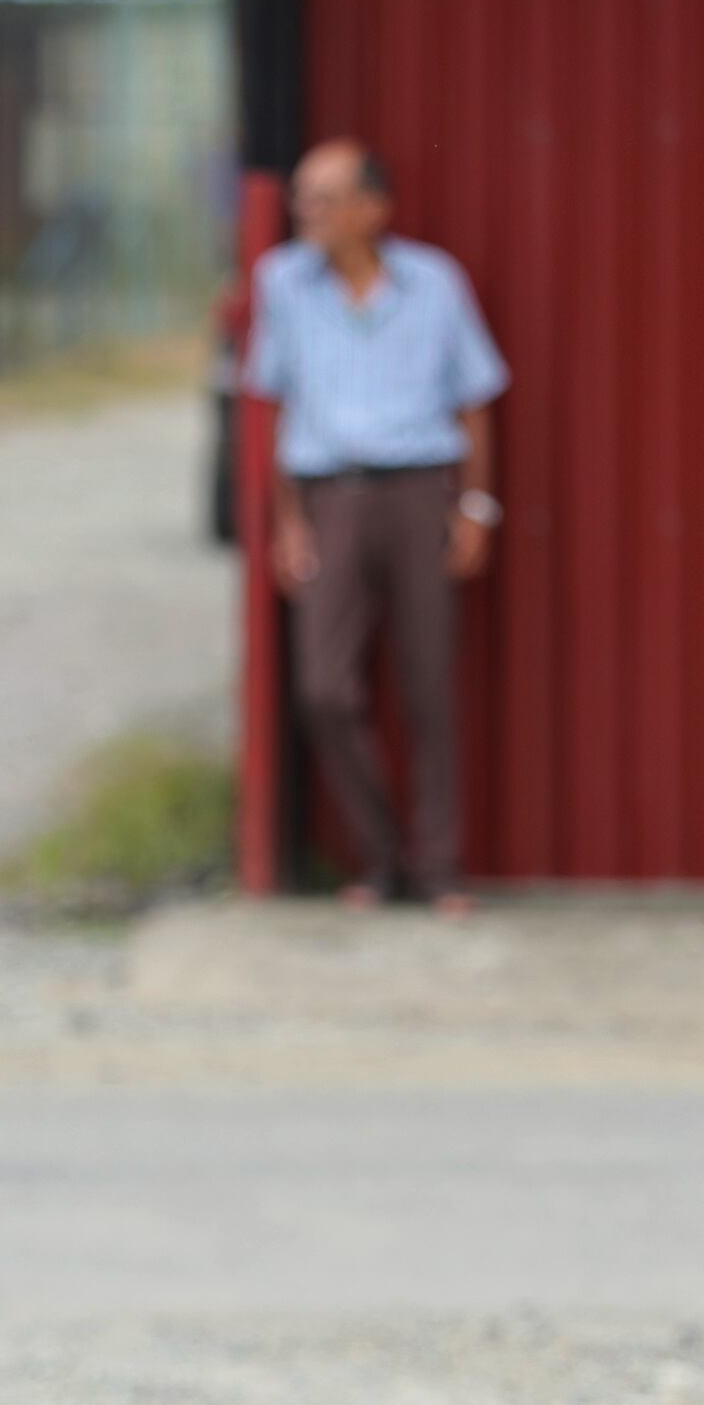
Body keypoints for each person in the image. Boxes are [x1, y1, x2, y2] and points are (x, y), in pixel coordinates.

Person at [245, 138, 510, 910]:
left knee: (429, 684)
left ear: (372, 210)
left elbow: (474, 401)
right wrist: (289, 522)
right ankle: (381, 855)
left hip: (420, 491)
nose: (308, 213)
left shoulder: (434, 283)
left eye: (324, 199)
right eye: (302, 197)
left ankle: (439, 868)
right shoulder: (283, 283)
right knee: (324, 687)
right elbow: (275, 404)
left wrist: (475, 506)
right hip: (330, 494)